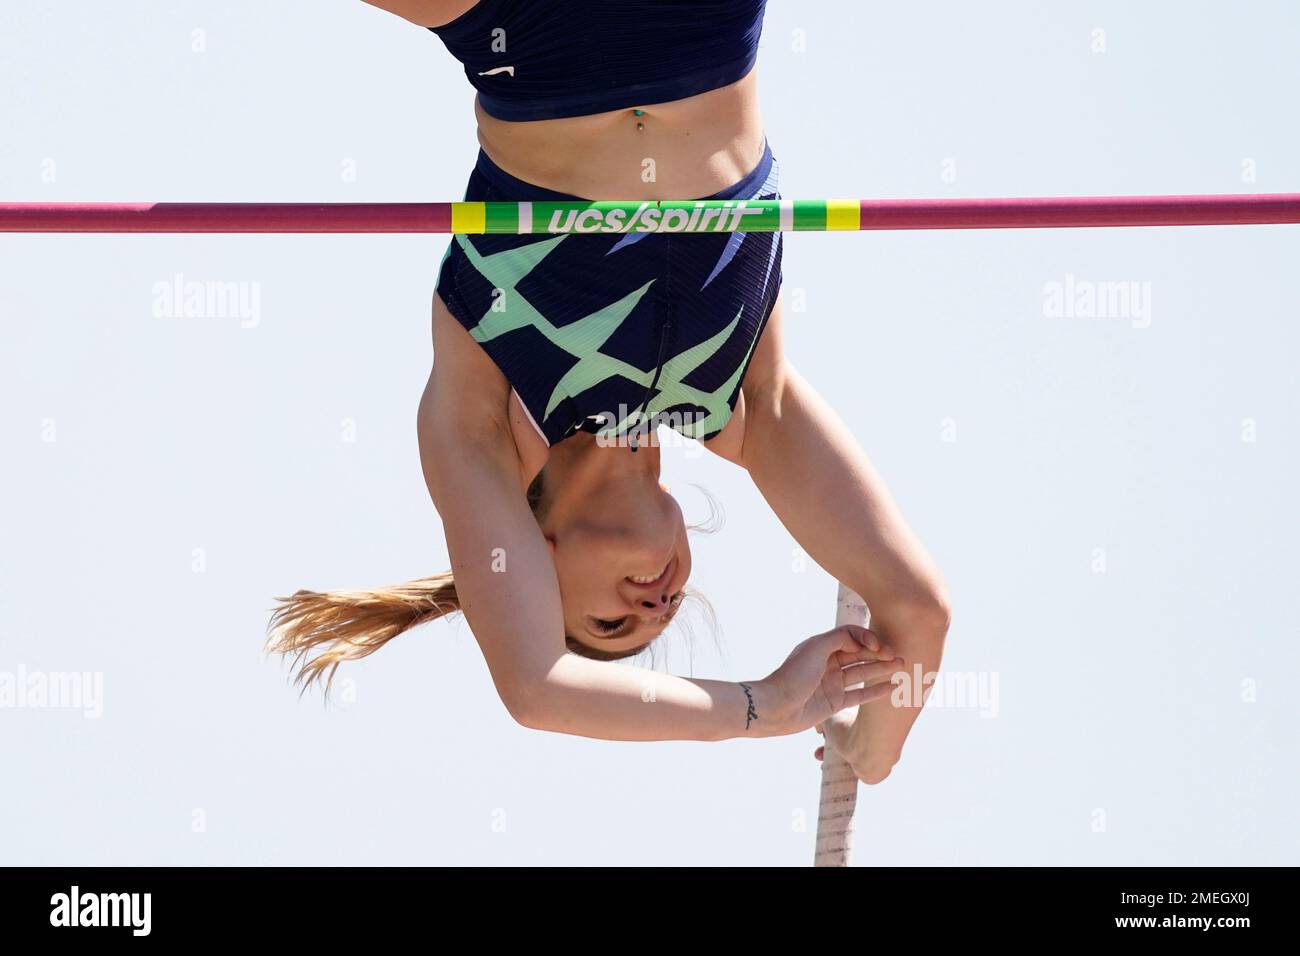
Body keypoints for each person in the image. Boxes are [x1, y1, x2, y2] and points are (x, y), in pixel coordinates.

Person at [266, 0, 951, 784]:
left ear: (534, 556)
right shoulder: (747, 407)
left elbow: (537, 689)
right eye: (656, 621)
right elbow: (921, 612)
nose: (653, 607)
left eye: (608, 621)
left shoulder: (485, 421)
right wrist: (872, 752)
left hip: (530, 31)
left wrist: (762, 708)